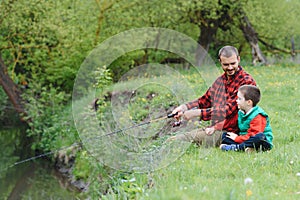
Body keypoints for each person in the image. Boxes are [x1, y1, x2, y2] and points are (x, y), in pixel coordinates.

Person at [167, 45, 256, 147]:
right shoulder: (220, 81)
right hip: (215, 128)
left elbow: (228, 110)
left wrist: (196, 113)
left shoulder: (246, 82)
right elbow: (204, 101)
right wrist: (184, 107)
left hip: (232, 134)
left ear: (238, 59)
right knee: (177, 138)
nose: (230, 67)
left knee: (180, 140)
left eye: (233, 63)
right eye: (226, 64)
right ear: (220, 62)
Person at [220, 85, 273, 152]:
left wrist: (237, 138)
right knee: (225, 136)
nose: (236, 101)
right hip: (245, 138)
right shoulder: (241, 112)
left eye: (239, 99)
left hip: (260, 141)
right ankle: (248, 148)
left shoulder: (258, 115)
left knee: (259, 137)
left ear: (249, 102)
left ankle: (238, 147)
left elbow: (253, 134)